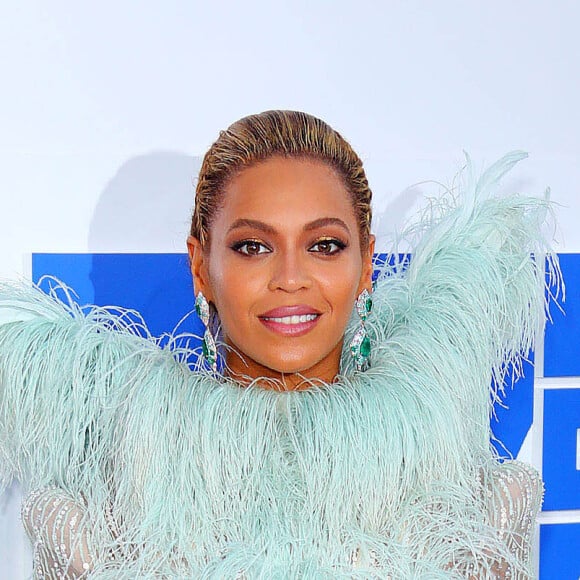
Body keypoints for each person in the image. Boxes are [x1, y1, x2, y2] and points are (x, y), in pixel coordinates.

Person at [0, 110, 558, 578]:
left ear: (366, 263)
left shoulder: (477, 498)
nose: (291, 277)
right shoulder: (111, 496)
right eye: (252, 247)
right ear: (201, 267)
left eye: (324, 244)